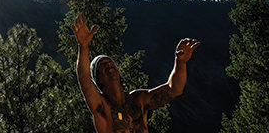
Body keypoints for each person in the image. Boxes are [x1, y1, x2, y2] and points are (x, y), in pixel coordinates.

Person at [71, 13, 200, 133]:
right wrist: (83, 46)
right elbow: (85, 81)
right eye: (103, 65)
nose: (109, 65)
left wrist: (180, 62)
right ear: (99, 79)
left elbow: (174, 89)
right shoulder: (103, 107)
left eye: (111, 63)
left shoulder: (138, 100)